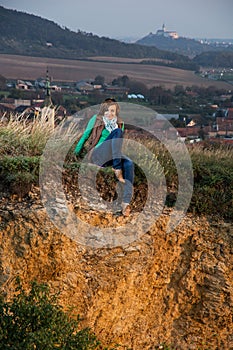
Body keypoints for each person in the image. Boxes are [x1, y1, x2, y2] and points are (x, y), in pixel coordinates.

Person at [74, 99, 134, 216]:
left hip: (111, 157)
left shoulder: (120, 124)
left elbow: (117, 145)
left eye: (112, 110)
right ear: (103, 111)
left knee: (129, 163)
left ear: (116, 112)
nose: (109, 113)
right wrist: (76, 153)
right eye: (107, 110)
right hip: (98, 154)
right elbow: (85, 136)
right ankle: (117, 169)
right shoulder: (96, 120)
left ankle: (126, 203)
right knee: (116, 132)